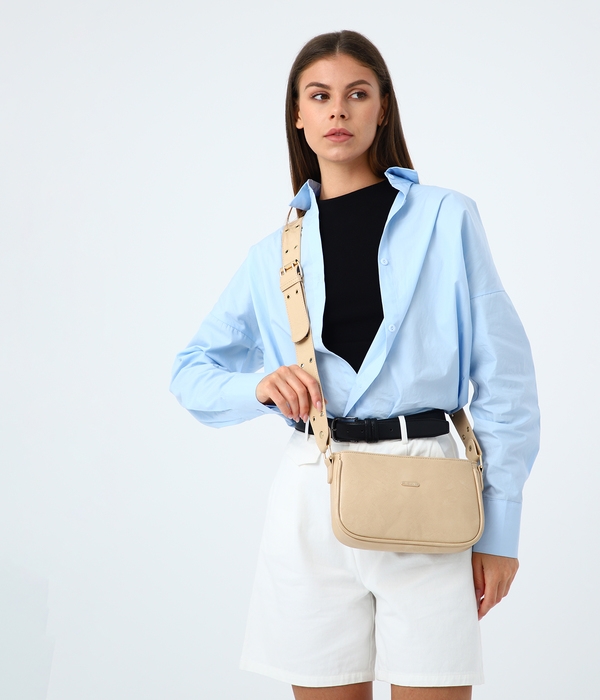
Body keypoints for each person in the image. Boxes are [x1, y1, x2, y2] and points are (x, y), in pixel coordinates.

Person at [170, 30, 539, 700]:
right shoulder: (272, 254)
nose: (337, 110)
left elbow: (506, 380)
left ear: (382, 108)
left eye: (356, 94)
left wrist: (501, 528)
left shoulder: (447, 218)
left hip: (428, 491)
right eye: (319, 96)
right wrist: (258, 385)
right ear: (298, 114)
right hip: (312, 495)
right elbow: (191, 371)